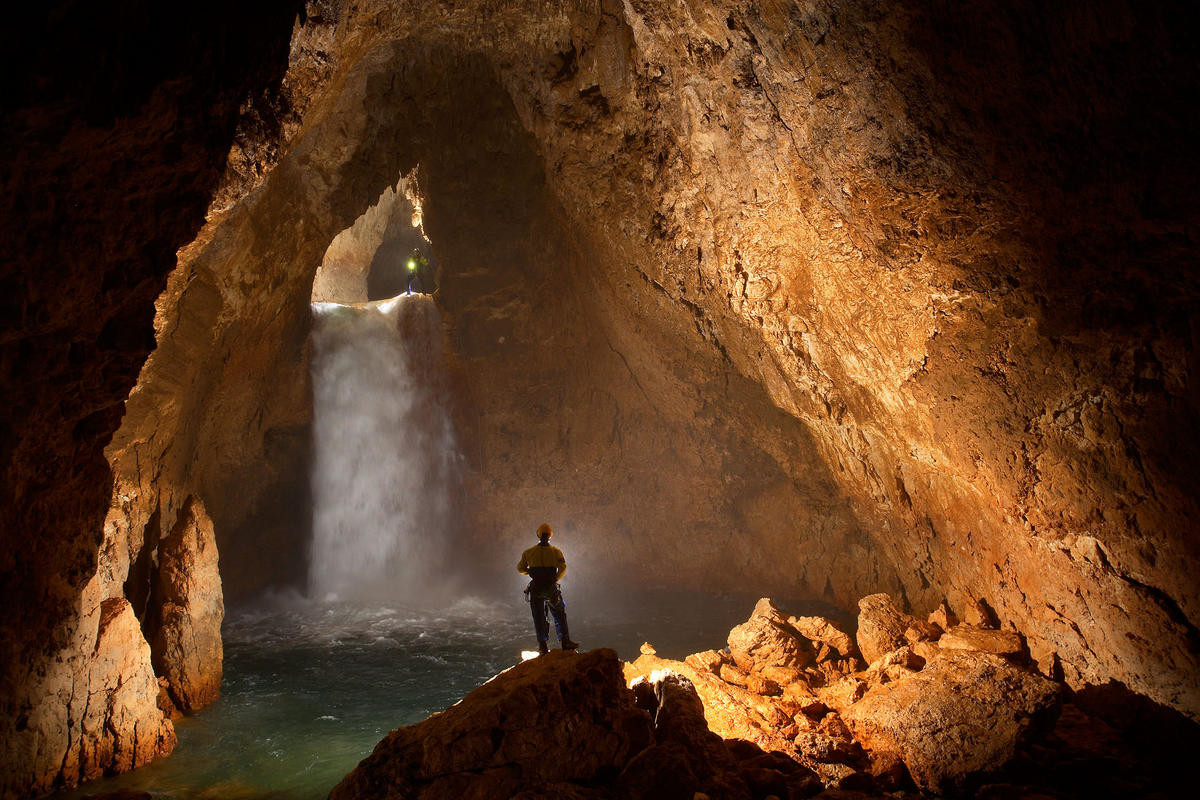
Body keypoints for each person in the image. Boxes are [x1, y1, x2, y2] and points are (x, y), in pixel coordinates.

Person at [517, 523, 579, 654]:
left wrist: (530, 572)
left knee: (538, 616)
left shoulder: (528, 552)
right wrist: (556, 578)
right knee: (559, 613)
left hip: (536, 588)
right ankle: (565, 642)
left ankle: (543, 646)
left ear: (538, 535)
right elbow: (563, 568)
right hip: (550, 588)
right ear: (550, 536)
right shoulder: (556, 551)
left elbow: (520, 568)